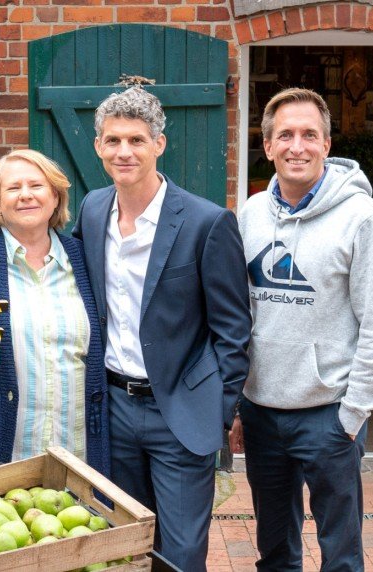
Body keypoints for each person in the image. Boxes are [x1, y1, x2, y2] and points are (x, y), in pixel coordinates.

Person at [71, 86, 251, 572]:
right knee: (125, 543)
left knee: (181, 553)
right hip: (113, 407)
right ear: (98, 147)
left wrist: (219, 408)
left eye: (135, 140)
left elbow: (233, 330)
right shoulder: (91, 210)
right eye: (112, 141)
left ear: (159, 145)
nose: (123, 152)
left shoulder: (205, 222)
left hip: (180, 413)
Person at [229, 87, 373, 572]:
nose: (296, 146)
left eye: (309, 135)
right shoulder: (251, 215)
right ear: (267, 146)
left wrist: (353, 414)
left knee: (340, 551)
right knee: (275, 549)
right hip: (263, 413)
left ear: (327, 145)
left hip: (328, 415)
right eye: (285, 135)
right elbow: (238, 316)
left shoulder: (363, 219)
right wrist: (239, 403)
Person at [0, 149, 108, 475]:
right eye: (13, 187)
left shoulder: (85, 256)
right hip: (9, 443)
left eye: (36, 185)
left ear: (55, 195)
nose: (25, 195)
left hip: (79, 444)